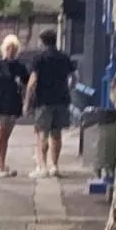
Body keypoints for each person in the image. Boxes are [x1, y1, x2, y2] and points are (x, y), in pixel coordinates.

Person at [24, 29, 77, 178]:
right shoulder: (64, 57)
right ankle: (54, 166)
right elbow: (74, 77)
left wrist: (27, 102)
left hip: (43, 101)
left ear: (42, 42)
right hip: (61, 100)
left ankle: (42, 167)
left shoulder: (38, 59)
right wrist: (67, 89)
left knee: (42, 133)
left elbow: (32, 82)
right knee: (57, 134)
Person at [0, 34, 29, 178]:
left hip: (13, 105)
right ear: (4, 49)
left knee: (5, 137)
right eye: (9, 48)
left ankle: (1, 164)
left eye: (14, 49)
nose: (11, 51)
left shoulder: (20, 67)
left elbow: (26, 83)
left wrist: (25, 101)